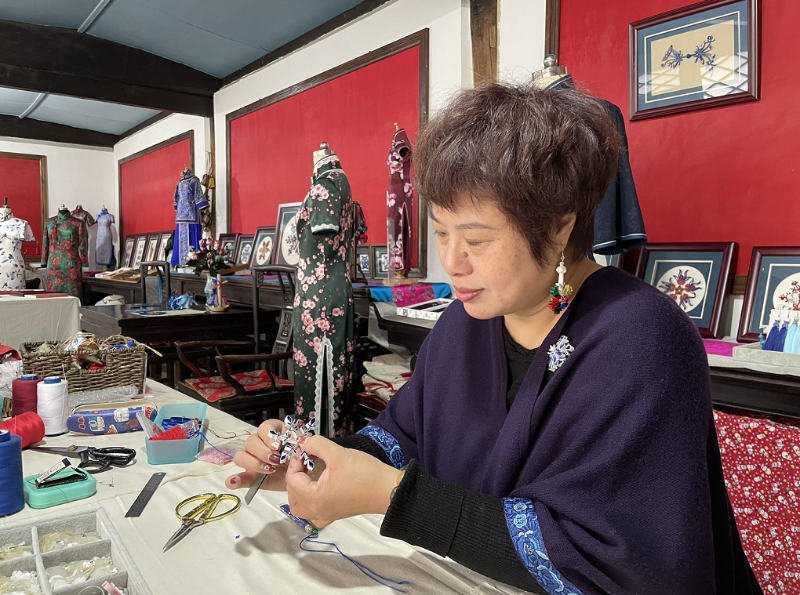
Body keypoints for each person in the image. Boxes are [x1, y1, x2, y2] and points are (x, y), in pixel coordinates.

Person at [226, 83, 762, 595]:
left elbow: (611, 560)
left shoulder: (641, 339)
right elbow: (401, 436)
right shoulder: (465, 325)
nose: (452, 262)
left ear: (558, 228)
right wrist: (314, 461)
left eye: (476, 239)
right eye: (441, 232)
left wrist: (391, 496)